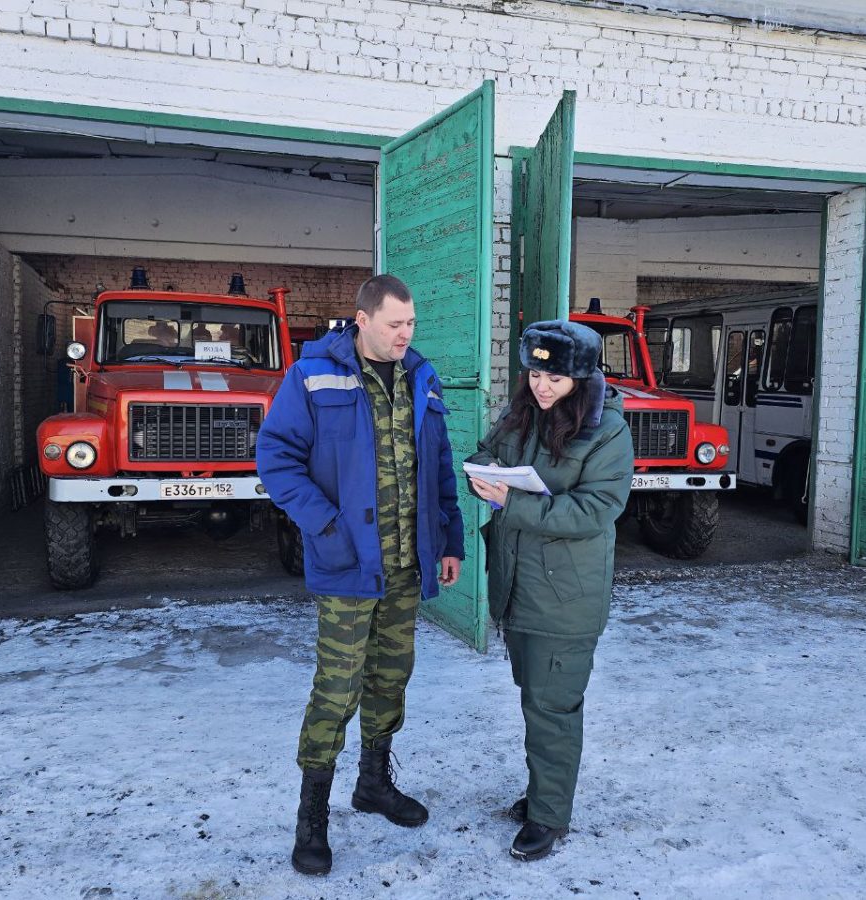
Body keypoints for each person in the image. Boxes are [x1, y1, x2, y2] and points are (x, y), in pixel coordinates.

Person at [256, 273, 465, 877]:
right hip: (346, 562)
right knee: (337, 687)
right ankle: (312, 819)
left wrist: (447, 539)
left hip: (406, 563)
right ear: (363, 320)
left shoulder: (421, 376)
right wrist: (324, 526)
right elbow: (276, 457)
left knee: (391, 677)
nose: (407, 334)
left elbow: (440, 467)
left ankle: (373, 783)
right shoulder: (313, 375)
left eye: (412, 324)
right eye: (396, 324)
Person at [467, 320, 634, 862]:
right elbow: (489, 450)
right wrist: (485, 471)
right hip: (519, 587)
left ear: (581, 379)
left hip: (567, 598)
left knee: (553, 707)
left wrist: (511, 502)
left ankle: (548, 816)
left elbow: (597, 508)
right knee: (534, 699)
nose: (542, 386)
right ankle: (545, 792)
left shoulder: (605, 429)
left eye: (555, 377)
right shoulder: (522, 415)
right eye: (536, 373)